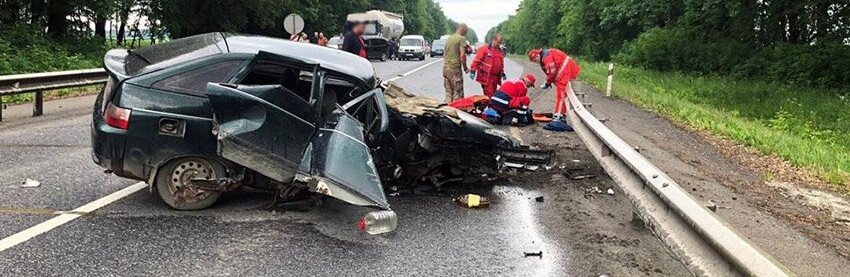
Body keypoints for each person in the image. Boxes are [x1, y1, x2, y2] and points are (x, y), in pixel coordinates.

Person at [528, 48, 581, 119]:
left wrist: (547, 82)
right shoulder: (546, 55)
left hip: (565, 71)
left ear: (537, 56)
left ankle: (558, 115)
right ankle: (562, 113)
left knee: (561, 94)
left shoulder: (546, 57)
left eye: (535, 60)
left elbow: (552, 72)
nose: (536, 62)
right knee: (564, 94)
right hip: (566, 69)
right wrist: (548, 82)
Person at [442, 23, 470, 103]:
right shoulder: (461, 39)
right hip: (455, 68)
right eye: (466, 32)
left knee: (448, 92)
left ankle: (447, 111)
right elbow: (462, 55)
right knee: (457, 93)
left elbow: (444, 54)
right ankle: (456, 112)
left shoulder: (449, 39)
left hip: (446, 68)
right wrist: (465, 68)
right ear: (463, 30)